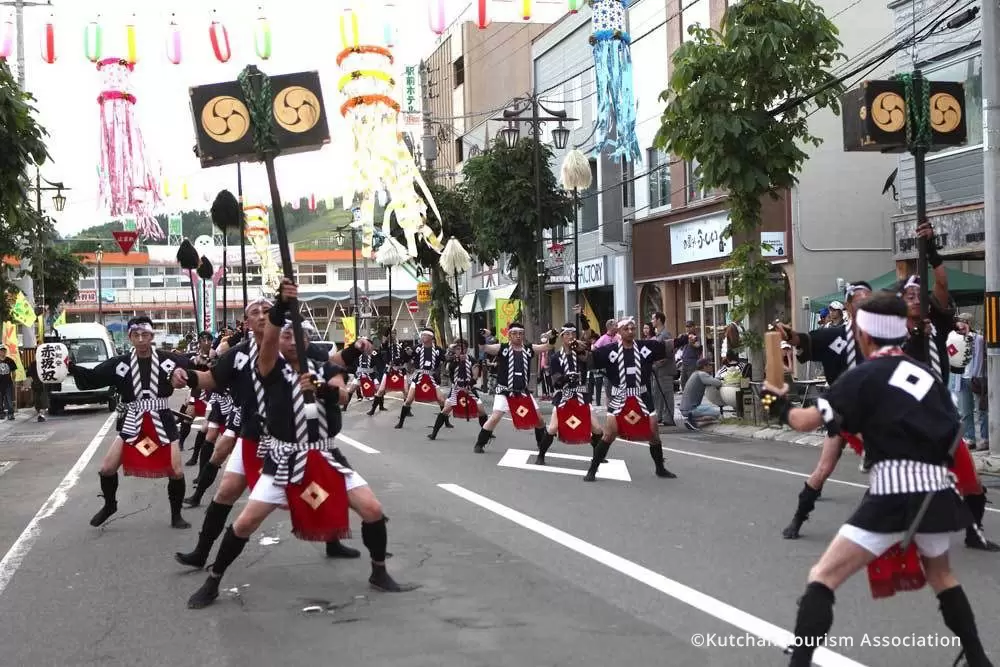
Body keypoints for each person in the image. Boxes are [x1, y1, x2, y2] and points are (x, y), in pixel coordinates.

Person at [761, 292, 992, 667]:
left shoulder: (863, 377)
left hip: (894, 489)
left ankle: (799, 663)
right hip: (938, 489)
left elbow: (805, 421)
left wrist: (778, 404)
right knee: (942, 575)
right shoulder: (926, 375)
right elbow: (952, 427)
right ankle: (979, 659)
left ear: (865, 336)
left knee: (823, 575)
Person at [184, 280, 413, 609]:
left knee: (373, 510)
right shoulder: (269, 369)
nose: (292, 340)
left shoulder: (325, 367)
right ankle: (214, 579)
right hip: (283, 458)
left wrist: (321, 389)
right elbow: (268, 341)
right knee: (246, 522)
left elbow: (344, 393)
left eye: (298, 335)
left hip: (325, 454)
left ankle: (379, 571)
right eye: (285, 335)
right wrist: (279, 305)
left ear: (309, 340)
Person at [174, 297, 362, 569]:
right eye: (255, 312)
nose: (262, 315)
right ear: (247, 322)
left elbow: (331, 362)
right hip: (252, 433)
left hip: (297, 437)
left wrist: (355, 349)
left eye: (267, 310)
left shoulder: (295, 345)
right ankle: (202, 552)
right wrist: (189, 376)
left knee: (319, 486)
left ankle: (332, 540)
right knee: (226, 491)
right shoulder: (238, 353)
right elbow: (212, 379)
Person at [66, 316, 192, 529]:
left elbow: (194, 366)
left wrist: (209, 360)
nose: (141, 339)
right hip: (133, 421)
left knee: (176, 471)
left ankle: (176, 515)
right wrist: (71, 367)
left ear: (152, 336)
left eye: (145, 335)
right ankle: (109, 505)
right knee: (107, 468)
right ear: (130, 337)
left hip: (162, 419)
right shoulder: (120, 364)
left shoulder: (169, 360)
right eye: (136, 335)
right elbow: (94, 377)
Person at [776, 280, 873, 539]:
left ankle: (865, 520)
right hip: (838, 409)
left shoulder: (878, 337)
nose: (865, 305)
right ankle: (798, 518)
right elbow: (803, 340)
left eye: (869, 300)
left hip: (870, 410)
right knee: (823, 468)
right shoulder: (835, 335)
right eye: (860, 301)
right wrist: (788, 335)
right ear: (850, 307)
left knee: (886, 469)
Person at [584, 317, 677, 482]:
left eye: (633, 328)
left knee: (654, 433)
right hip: (620, 396)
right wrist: (580, 351)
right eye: (626, 329)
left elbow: (666, 346)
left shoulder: (644, 347)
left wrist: (687, 339)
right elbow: (591, 359)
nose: (630, 332)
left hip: (642, 396)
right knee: (609, 434)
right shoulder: (610, 350)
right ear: (619, 331)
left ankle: (660, 468)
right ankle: (592, 469)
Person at [473, 322, 555, 454]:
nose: (518, 336)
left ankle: (541, 444)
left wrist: (553, 335)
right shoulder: (502, 347)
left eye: (521, 334)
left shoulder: (529, 348)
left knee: (539, 419)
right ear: (509, 335)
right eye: (515, 334)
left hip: (522, 391)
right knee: (495, 417)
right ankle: (480, 443)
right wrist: (481, 335)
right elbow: (484, 347)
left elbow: (548, 346)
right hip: (505, 390)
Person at [535, 322, 605, 465]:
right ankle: (541, 455)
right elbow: (556, 382)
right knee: (553, 428)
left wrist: (581, 349)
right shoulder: (555, 357)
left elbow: (589, 357)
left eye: (573, 334)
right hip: (564, 395)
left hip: (581, 394)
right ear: (562, 337)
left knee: (597, 428)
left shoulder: (580, 354)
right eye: (567, 334)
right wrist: (566, 378)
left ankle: (598, 457)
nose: (570, 336)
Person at [428, 339, 488, 439]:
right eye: (458, 348)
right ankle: (434, 433)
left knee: (481, 411)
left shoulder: (472, 360)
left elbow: (475, 376)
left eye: (463, 348)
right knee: (445, 410)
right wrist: (457, 360)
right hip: (456, 389)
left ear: (467, 349)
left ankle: (487, 431)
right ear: (455, 350)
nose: (461, 350)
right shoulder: (452, 361)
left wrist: (469, 385)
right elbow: (449, 368)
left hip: (469, 389)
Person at [394, 328, 450, 430]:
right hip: (418, 376)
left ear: (431, 337)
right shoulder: (417, 348)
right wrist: (407, 353)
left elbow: (446, 358)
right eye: (422, 335)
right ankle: (401, 422)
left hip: (431, 376)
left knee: (442, 400)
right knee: (409, 400)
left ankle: (446, 422)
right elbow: (405, 359)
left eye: (425, 335)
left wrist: (451, 353)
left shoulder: (437, 350)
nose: (422, 337)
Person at [367, 328, 409, 416]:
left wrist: (404, 357)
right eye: (391, 334)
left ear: (396, 334)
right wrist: (387, 332)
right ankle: (373, 409)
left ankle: (407, 410)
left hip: (401, 369)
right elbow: (384, 341)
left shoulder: (402, 345)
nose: (392, 335)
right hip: (389, 369)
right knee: (381, 390)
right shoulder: (387, 346)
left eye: (394, 333)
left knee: (405, 390)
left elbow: (406, 357)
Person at [679, 358, 723, 430]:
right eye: (709, 365)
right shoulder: (702, 374)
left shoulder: (695, 374)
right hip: (691, 409)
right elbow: (718, 383)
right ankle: (696, 422)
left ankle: (693, 420)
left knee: (708, 408)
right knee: (717, 415)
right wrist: (719, 379)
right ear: (704, 367)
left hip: (685, 408)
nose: (711, 367)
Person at [0, 347, 18, 420]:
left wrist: (13, 381)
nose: (3, 353)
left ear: (6, 352)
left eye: (4, 351)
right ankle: (1, 413)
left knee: (9, 398)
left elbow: (13, 372)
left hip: (8, 383)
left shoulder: (10, 361)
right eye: (1, 351)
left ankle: (11, 413)